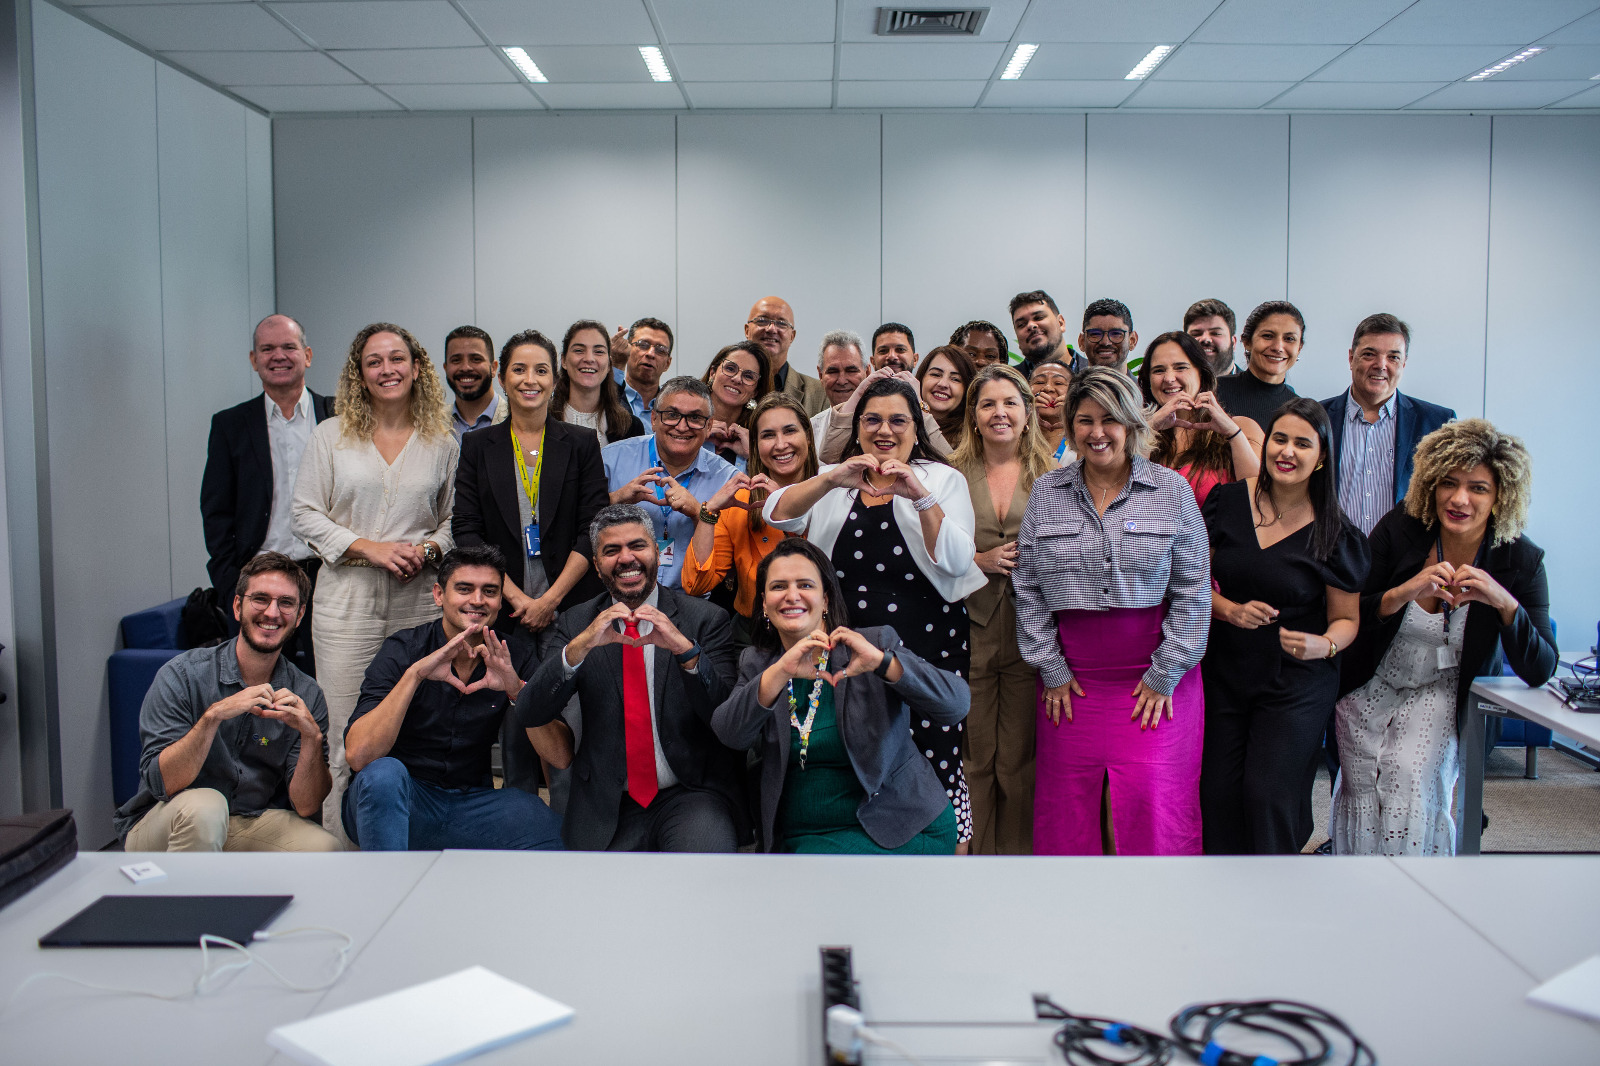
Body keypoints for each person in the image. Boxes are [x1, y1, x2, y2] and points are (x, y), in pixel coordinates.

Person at [765, 378, 987, 849]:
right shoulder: (838, 476)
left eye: (898, 420)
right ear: (858, 426)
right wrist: (829, 477)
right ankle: (867, 851)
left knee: (933, 750)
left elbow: (955, 559)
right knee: (865, 748)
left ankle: (940, 848)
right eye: (873, 420)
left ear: (915, 427)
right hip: (850, 646)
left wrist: (918, 492)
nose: (884, 430)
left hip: (927, 640)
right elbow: (777, 515)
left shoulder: (943, 478)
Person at [1333, 420, 1555, 855]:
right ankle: (1355, 888)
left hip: (1445, 693)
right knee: (1361, 778)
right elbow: (1351, 614)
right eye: (1449, 483)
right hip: (1372, 684)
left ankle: (1420, 891)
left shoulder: (1520, 560)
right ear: (1430, 485)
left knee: (1406, 774)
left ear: (1501, 497)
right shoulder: (1402, 528)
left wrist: (1504, 603)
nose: (1459, 499)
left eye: (1478, 488)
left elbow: (1541, 666)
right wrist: (1403, 593)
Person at [1014, 368, 1210, 856]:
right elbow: (1029, 586)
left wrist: (1165, 674)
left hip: (1155, 682)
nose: (1097, 432)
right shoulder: (1046, 493)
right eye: (1084, 420)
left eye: (1109, 420)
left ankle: (1154, 921)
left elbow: (1192, 589)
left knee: (1152, 808)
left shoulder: (1171, 490)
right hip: (1070, 685)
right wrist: (1051, 668)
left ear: (1131, 424)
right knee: (1069, 813)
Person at [291, 322, 457, 844]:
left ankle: (409, 849)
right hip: (346, 601)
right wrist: (369, 548)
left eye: (397, 359)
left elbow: (456, 521)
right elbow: (304, 514)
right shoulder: (331, 435)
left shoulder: (441, 440)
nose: (387, 369)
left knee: (414, 731)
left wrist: (428, 549)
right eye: (374, 361)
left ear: (416, 367)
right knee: (346, 738)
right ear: (358, 374)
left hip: (420, 601)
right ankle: (342, 850)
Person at [514, 504, 746, 851]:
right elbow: (531, 711)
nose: (626, 558)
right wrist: (578, 649)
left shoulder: (704, 619)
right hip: (607, 803)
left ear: (656, 551)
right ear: (596, 565)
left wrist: (686, 653)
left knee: (702, 883)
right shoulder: (577, 624)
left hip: (691, 794)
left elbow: (726, 720)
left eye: (637, 546)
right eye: (611, 550)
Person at [711, 539, 965, 853]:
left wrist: (884, 663)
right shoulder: (758, 663)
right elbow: (730, 734)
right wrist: (780, 671)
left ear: (826, 599)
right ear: (764, 603)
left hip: (895, 826)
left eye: (805, 584)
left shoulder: (871, 644)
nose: (792, 595)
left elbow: (954, 706)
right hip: (800, 835)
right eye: (778, 586)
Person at [1200, 397, 1369, 855]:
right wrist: (1230, 610)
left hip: (1297, 678)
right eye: (1279, 439)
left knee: (1267, 793)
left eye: (1302, 443)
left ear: (1321, 459)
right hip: (1227, 670)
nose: (1286, 452)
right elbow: (1192, 586)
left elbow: (1347, 620)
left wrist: (1326, 646)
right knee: (1216, 792)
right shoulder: (1227, 502)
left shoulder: (1337, 531)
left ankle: (1278, 892)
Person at [340, 546, 566, 851]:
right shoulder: (404, 649)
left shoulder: (513, 655)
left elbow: (560, 756)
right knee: (383, 775)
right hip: (402, 800)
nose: (477, 600)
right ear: (438, 595)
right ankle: (387, 890)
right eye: (464, 589)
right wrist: (415, 676)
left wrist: (516, 690)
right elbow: (359, 755)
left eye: (489, 591)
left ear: (500, 600)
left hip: (469, 803)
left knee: (537, 817)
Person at [116, 553, 339, 852]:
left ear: (299, 616)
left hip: (246, 820)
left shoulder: (306, 693)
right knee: (206, 808)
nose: (272, 613)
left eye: (285, 603)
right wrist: (213, 717)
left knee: (325, 849)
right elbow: (162, 783)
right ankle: (185, 900)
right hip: (166, 821)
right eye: (260, 599)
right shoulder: (182, 675)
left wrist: (312, 737)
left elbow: (307, 804)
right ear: (237, 607)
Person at [950, 364, 1053, 855]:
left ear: (1028, 413)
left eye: (1010, 403)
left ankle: (1017, 860)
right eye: (988, 404)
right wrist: (978, 560)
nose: (1000, 413)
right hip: (968, 628)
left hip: (1034, 632)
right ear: (973, 417)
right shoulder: (949, 475)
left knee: (1019, 756)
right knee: (974, 754)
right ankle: (975, 857)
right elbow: (926, 551)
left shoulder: (1055, 476)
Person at [201, 314, 336, 675]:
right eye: (268, 349)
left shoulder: (338, 416)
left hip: (331, 579)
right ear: (254, 359)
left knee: (330, 685)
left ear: (307, 355)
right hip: (259, 584)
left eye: (289, 347)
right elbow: (216, 512)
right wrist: (232, 584)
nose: (279, 356)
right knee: (260, 689)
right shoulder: (230, 425)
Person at [453, 329, 610, 629]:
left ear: (554, 380)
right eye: (519, 370)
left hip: (574, 607)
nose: (530, 380)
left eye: (541, 370)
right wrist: (516, 598)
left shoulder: (582, 444)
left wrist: (550, 601)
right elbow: (467, 532)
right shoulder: (476, 447)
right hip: (499, 610)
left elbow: (593, 529)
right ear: (501, 378)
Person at [683, 394, 819, 643]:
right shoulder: (740, 501)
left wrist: (784, 502)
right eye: (768, 435)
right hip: (754, 638)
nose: (780, 444)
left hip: (823, 631)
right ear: (755, 446)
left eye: (790, 431)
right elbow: (697, 584)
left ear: (808, 437)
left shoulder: (832, 491)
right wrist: (709, 512)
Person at [1321, 313, 1457, 536]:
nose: (1380, 365)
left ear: (1403, 363)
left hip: (1405, 563)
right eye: (1369, 354)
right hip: (1331, 560)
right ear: (1351, 358)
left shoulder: (1438, 423)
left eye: (1393, 357)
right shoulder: (1317, 417)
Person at [603, 377, 739, 591]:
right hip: (618, 597)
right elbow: (580, 527)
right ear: (654, 419)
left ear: (709, 426)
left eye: (695, 417)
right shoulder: (611, 460)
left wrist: (699, 513)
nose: (682, 426)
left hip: (691, 603)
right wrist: (614, 500)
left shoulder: (727, 479)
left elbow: (730, 556)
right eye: (672, 415)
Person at [1138, 331, 1263, 507]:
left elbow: (1259, 498)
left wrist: (1233, 433)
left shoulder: (1242, 427)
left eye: (1181, 367)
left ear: (1201, 373)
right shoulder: (1137, 431)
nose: (1169, 378)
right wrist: (1148, 429)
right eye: (1158, 370)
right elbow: (1123, 493)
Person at [550, 318, 645, 447]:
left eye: (599, 352)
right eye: (579, 350)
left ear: (609, 364)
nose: (589, 359)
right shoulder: (543, 419)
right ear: (564, 361)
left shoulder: (630, 427)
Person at [1214, 301, 1304, 428]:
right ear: (1247, 341)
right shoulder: (1215, 392)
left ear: (1299, 347)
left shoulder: (1301, 411)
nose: (1278, 347)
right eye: (1268, 336)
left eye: (1289, 339)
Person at [745, 295, 827, 415]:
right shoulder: (730, 385)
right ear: (747, 331)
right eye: (762, 320)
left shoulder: (820, 393)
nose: (771, 329)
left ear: (792, 336)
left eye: (781, 323)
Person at [701, 340, 773, 465]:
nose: (737, 379)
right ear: (712, 373)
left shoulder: (760, 437)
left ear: (755, 391)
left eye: (749, 376)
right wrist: (694, 436)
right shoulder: (684, 422)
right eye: (730, 368)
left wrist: (754, 456)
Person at [442, 325, 508, 441]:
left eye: (476, 359)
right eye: (456, 360)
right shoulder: (431, 424)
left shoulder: (516, 419)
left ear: (493, 368)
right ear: (445, 368)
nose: (465, 367)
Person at [1010, 290, 1083, 378]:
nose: (1031, 325)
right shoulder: (1008, 383)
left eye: (1039, 317)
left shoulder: (1098, 374)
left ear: (1061, 323)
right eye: (1021, 324)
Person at [915, 345, 976, 450]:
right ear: (921, 378)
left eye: (955, 379)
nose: (943, 384)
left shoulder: (972, 436)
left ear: (967, 389)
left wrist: (922, 412)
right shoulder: (900, 421)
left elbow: (949, 465)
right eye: (936, 374)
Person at [620, 316, 675, 429]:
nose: (651, 353)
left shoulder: (673, 409)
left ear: (667, 364)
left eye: (660, 349)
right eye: (643, 345)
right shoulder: (608, 397)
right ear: (627, 350)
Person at [1029, 355, 1076, 466]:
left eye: (1059, 383)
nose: (1048, 388)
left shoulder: (1082, 435)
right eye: (1039, 382)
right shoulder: (1015, 434)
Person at [1079, 298, 1140, 376]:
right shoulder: (1067, 387)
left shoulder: (1144, 388)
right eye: (1095, 334)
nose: (1105, 342)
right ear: (1082, 342)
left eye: (1116, 334)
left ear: (1132, 341)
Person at [1184, 298, 1240, 378]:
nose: (1205, 339)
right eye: (1196, 334)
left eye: (1216, 333)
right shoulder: (1170, 386)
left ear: (1233, 343)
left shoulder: (1255, 389)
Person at [815, 330, 868, 411]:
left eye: (851, 371)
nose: (842, 381)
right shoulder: (812, 424)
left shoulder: (886, 422)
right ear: (820, 375)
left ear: (867, 373)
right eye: (833, 372)